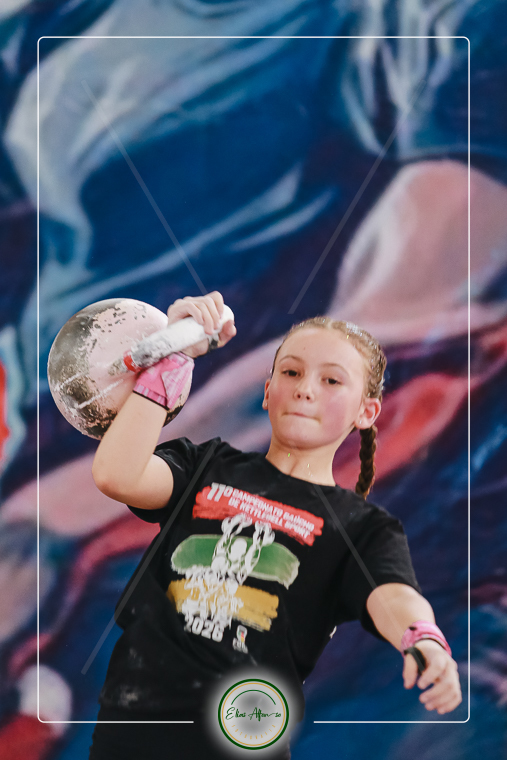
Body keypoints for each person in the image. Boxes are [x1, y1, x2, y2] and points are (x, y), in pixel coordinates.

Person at [89, 291, 462, 759]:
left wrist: (422, 638)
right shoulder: (204, 465)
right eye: (291, 373)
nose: (305, 389)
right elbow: (117, 475)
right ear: (267, 392)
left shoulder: (362, 527)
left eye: (331, 380)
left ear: (366, 412)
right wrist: (173, 356)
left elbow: (393, 595)